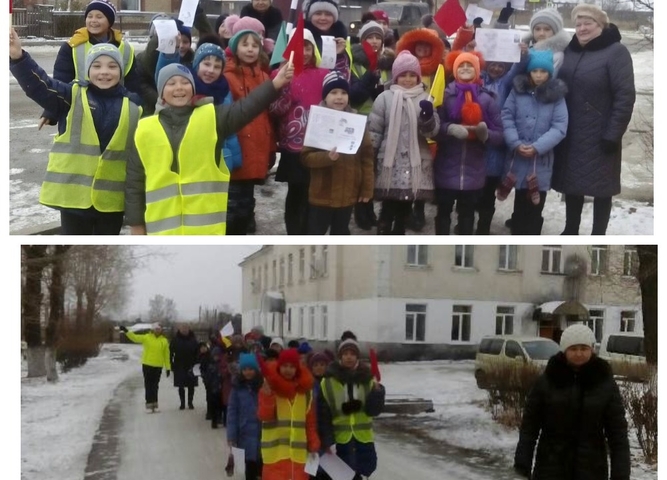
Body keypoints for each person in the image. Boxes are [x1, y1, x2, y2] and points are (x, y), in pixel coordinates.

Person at [124, 58, 294, 235]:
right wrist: (136, 225)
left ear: (193, 88)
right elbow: (134, 183)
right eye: (171, 83)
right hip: (161, 234)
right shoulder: (144, 129)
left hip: (206, 233)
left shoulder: (212, 117)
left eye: (185, 82)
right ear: (161, 92)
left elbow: (246, 108)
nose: (179, 87)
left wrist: (275, 84)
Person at [10, 32, 142, 235]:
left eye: (112, 66)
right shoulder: (71, 96)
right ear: (87, 71)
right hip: (73, 200)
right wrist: (19, 58)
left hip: (112, 203)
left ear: (121, 71)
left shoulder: (134, 106)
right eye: (96, 66)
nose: (104, 72)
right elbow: (40, 85)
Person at [553, 4, 636, 235]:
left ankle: (598, 233)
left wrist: (613, 133)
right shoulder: (570, 50)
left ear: (601, 25)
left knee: (602, 188)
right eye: (578, 24)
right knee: (572, 184)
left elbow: (625, 96)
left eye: (588, 23)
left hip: (601, 133)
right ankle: (571, 229)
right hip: (571, 131)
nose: (582, 28)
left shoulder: (616, 52)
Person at [513, 324, 630, 479]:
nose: (579, 353)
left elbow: (618, 434)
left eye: (584, 348)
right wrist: (522, 464)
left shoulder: (604, 383)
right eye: (573, 349)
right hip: (550, 468)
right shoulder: (548, 380)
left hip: (591, 470)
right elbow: (530, 426)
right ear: (564, 350)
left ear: (592, 349)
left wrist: (620, 474)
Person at [431, 51, 503, 235]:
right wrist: (449, 129)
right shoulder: (445, 96)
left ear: (477, 70)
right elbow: (434, 128)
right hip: (446, 167)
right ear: (454, 70)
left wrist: (485, 134)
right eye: (461, 65)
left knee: (467, 215)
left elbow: (500, 134)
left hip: (474, 170)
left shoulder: (488, 98)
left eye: (469, 65)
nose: (465, 68)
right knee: (443, 212)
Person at [497, 50, 568, 235]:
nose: (538, 75)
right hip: (517, 158)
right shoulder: (517, 92)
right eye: (535, 71)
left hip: (540, 162)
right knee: (520, 202)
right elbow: (507, 116)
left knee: (535, 206)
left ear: (549, 74)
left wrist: (538, 147)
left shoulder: (556, 97)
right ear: (529, 72)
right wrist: (514, 142)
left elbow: (559, 126)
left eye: (543, 71)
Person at [40, 0, 140, 129]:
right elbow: (61, 81)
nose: (93, 20)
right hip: (79, 111)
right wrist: (51, 111)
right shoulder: (72, 46)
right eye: (89, 16)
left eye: (99, 17)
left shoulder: (125, 48)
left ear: (109, 21)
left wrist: (138, 109)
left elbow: (133, 84)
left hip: (116, 111)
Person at [368, 51, 436, 235]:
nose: (408, 79)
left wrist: (428, 117)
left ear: (418, 76)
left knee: (405, 208)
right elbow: (374, 130)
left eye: (412, 75)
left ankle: (398, 234)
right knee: (388, 206)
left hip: (416, 163)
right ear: (396, 76)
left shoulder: (426, 98)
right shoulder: (384, 98)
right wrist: (370, 158)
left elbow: (432, 133)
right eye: (403, 75)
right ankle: (383, 232)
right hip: (390, 162)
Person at [269, 28, 329, 235]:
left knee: (314, 192)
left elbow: (337, 99)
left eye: (307, 46)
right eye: (297, 46)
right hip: (292, 146)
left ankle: (311, 232)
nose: (303, 51)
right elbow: (274, 110)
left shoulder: (323, 74)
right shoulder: (278, 74)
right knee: (296, 191)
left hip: (317, 145)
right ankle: (294, 232)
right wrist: (284, 89)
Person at [301, 71, 375, 235]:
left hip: (348, 194)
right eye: (333, 92)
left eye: (343, 92)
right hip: (322, 194)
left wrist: (366, 188)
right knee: (315, 234)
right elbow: (306, 157)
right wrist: (326, 158)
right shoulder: (317, 120)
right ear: (325, 96)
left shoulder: (357, 122)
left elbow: (367, 158)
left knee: (341, 234)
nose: (339, 97)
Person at [155, 37, 243, 173]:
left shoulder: (224, 91)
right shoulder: (186, 87)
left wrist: (233, 157)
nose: (211, 70)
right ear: (197, 64)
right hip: (188, 154)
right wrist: (171, 50)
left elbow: (229, 128)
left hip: (216, 155)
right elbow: (164, 73)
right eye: (206, 64)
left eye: (217, 67)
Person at [223, 29, 277, 235]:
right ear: (235, 48)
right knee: (233, 201)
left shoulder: (264, 76)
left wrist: (271, 146)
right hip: (238, 145)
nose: (250, 49)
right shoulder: (227, 76)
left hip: (257, 145)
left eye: (255, 45)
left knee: (247, 196)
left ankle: (245, 223)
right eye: (245, 44)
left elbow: (268, 116)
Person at [395, 28, 446, 232]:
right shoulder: (404, 69)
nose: (423, 49)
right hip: (404, 129)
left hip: (429, 130)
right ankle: (405, 210)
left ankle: (419, 208)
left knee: (424, 172)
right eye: (419, 45)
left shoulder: (439, 70)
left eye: (427, 45)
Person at [318, 334, 385, 480]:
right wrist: (327, 441)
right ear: (340, 356)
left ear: (358, 357)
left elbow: (374, 410)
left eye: (353, 354)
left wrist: (378, 393)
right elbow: (323, 415)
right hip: (340, 441)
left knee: (360, 473)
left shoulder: (368, 380)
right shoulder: (328, 382)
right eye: (345, 354)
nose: (349, 357)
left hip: (363, 440)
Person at [349, 20, 396, 231]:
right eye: (370, 37)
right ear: (362, 40)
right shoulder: (354, 61)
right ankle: (361, 210)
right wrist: (371, 77)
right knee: (361, 168)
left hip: (382, 122)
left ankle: (369, 207)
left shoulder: (387, 63)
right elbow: (355, 96)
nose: (375, 41)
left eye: (378, 37)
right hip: (359, 119)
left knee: (373, 169)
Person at [258, 348, 320, 480]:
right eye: (285, 366)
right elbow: (264, 416)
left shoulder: (306, 393)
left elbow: (310, 421)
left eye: (292, 366)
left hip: (298, 456)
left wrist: (313, 440)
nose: (288, 370)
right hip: (275, 455)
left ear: (297, 369)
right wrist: (267, 397)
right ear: (279, 367)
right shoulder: (270, 389)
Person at [137, 12, 213, 117]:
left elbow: (209, 38)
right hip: (155, 108)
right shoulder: (149, 57)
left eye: (185, 42)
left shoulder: (193, 60)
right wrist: (163, 99)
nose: (180, 46)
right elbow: (143, 84)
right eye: (177, 42)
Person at [227, 353, 264, 480]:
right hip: (244, 433)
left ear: (256, 370)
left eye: (251, 369)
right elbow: (232, 412)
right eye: (245, 369)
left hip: (262, 433)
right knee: (249, 467)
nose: (248, 372)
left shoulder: (262, 386)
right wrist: (231, 435)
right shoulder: (237, 388)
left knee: (263, 468)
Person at [120, 323, 171, 412]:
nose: (157, 330)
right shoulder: (147, 337)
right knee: (148, 385)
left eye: (159, 329)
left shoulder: (164, 341)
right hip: (147, 365)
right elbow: (135, 338)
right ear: (153, 330)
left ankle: (154, 404)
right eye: (156, 329)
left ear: (161, 330)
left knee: (155, 386)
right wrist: (126, 331)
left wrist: (168, 368)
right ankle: (149, 404)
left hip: (158, 366)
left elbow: (166, 355)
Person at [303, 0, 351, 79]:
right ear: (310, 16)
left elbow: (347, 71)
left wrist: (338, 55)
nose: (323, 18)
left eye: (328, 14)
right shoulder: (301, 38)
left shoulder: (343, 39)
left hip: (335, 88)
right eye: (318, 13)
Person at [169, 324, 199, 410]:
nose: (185, 330)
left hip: (191, 365)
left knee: (191, 385)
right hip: (179, 365)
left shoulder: (193, 340)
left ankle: (190, 402)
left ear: (189, 329)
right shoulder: (175, 340)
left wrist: (197, 364)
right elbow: (170, 353)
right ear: (180, 329)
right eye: (183, 328)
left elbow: (198, 353)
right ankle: (182, 403)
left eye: (186, 328)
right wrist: (171, 363)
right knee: (180, 385)